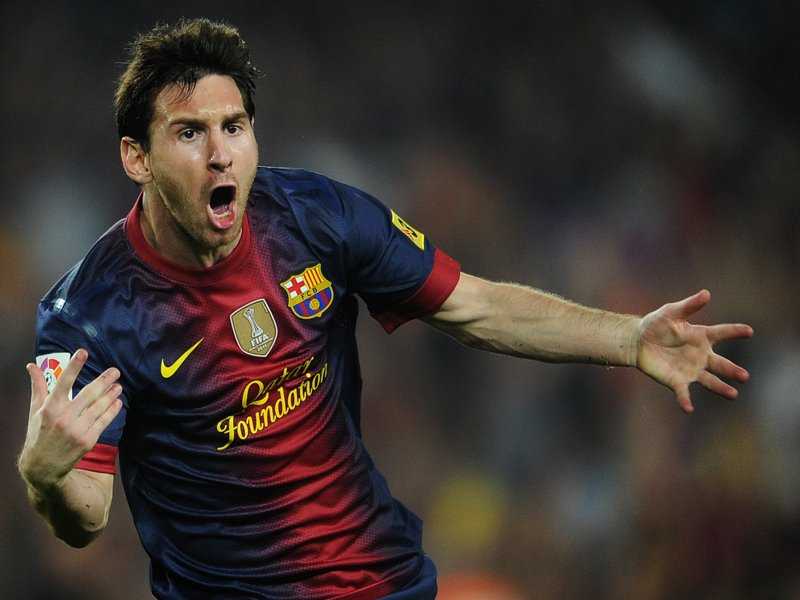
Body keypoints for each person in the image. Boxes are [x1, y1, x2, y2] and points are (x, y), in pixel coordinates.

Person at [17, 18, 753, 600]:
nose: (220, 154)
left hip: (382, 581)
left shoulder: (317, 217)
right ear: (136, 158)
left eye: (234, 126)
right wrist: (50, 479)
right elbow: (88, 515)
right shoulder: (89, 314)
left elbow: (475, 307)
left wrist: (628, 337)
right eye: (189, 132)